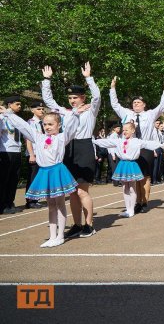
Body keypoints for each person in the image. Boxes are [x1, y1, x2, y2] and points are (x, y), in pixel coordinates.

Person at [0, 103, 90, 247]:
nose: (47, 127)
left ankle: (60, 236)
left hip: (57, 172)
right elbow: (24, 126)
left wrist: (75, 114)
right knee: (51, 205)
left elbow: (72, 129)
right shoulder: (38, 137)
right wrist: (10, 114)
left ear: (58, 125)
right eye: (45, 124)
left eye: (51, 124)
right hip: (44, 173)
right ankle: (52, 235)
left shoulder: (61, 138)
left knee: (59, 204)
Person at [42, 63, 100, 238]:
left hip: (84, 147)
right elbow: (49, 101)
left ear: (83, 98)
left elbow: (97, 96)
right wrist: (46, 80)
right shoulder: (65, 112)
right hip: (67, 149)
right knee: (72, 192)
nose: (72, 101)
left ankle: (89, 225)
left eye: (75, 98)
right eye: (70, 98)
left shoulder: (90, 111)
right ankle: (76, 224)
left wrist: (88, 78)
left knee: (82, 190)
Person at [110, 76, 164, 213]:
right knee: (133, 178)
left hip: (145, 148)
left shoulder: (150, 114)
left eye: (139, 102)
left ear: (144, 104)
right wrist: (113, 89)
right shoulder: (127, 114)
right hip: (131, 149)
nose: (136, 104)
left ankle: (143, 202)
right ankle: (135, 202)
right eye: (134, 102)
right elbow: (115, 105)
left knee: (144, 177)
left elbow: (162, 106)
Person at [93, 122, 164, 217]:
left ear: (133, 131)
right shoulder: (119, 141)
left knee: (132, 188)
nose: (124, 132)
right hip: (123, 164)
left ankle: (132, 210)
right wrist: (93, 141)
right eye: (123, 130)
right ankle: (128, 209)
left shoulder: (137, 141)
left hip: (132, 165)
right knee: (125, 188)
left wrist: (161, 145)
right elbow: (106, 142)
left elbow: (148, 143)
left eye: (126, 130)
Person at [0, 95, 24, 214]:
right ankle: (2, 204)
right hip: (6, 152)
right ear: (9, 105)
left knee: (14, 178)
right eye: (17, 104)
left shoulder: (15, 118)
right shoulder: (2, 118)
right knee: (4, 179)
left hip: (17, 151)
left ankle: (10, 203)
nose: (20, 106)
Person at [24, 101, 46, 209]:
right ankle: (30, 200)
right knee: (32, 177)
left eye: (42, 109)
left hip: (42, 154)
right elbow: (28, 140)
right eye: (38, 109)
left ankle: (36, 198)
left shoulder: (43, 123)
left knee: (39, 177)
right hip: (34, 154)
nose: (41, 111)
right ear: (32, 110)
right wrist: (31, 154)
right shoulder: (30, 123)